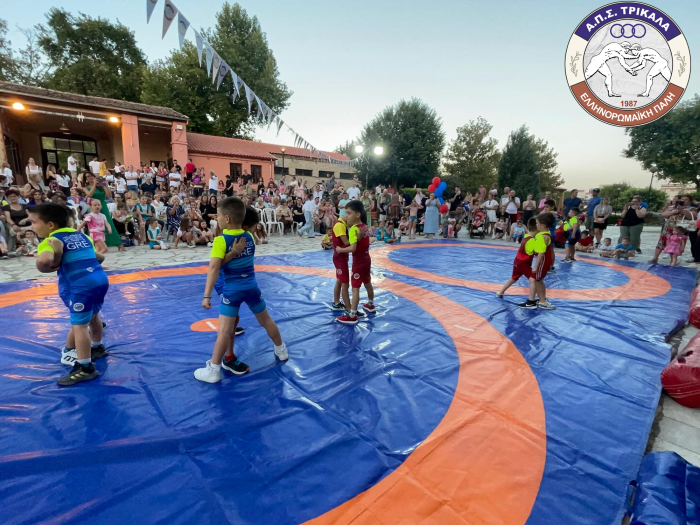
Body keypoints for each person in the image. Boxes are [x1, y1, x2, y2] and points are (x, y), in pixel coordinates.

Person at [195, 197, 288, 383]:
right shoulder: (249, 237)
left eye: (218, 216)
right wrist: (235, 252)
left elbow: (214, 267)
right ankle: (281, 350)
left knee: (224, 330)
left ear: (227, 218)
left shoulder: (221, 240)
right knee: (266, 320)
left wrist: (206, 295)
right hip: (251, 287)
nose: (216, 219)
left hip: (232, 290)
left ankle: (214, 370)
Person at [28, 202, 109, 385]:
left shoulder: (50, 241)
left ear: (50, 225)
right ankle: (97, 347)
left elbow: (44, 262)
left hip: (81, 285)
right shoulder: (81, 236)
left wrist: (56, 254)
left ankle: (85, 367)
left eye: (33, 222)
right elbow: (100, 257)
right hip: (100, 280)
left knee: (79, 325)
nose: (31, 227)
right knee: (94, 315)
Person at [336, 200, 375, 325]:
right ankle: (370, 304)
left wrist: (340, 250)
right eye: (345, 213)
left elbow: (352, 248)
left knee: (355, 288)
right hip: (367, 259)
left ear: (357, 214)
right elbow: (366, 241)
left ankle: (352, 314)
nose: (346, 216)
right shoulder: (364, 226)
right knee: (367, 282)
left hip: (358, 262)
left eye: (349, 213)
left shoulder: (353, 229)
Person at [518, 212, 556, 310]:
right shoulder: (546, 233)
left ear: (542, 225)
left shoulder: (541, 237)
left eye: (537, 223)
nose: (536, 225)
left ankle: (539, 301)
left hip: (542, 262)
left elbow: (541, 253)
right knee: (538, 280)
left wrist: (535, 266)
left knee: (535, 279)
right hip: (545, 261)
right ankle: (542, 300)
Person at [497, 217, 539, 298]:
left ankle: (501, 292)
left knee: (513, 278)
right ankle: (536, 297)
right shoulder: (532, 241)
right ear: (537, 229)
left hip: (517, 262)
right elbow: (535, 252)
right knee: (533, 279)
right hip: (524, 264)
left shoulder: (525, 237)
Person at [82, 173, 124, 251]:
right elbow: (90, 194)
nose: (90, 177)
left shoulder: (100, 187)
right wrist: (94, 185)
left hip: (103, 206)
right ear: (86, 179)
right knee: (94, 226)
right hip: (93, 207)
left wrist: (106, 185)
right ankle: (96, 245)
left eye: (91, 176)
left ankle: (118, 243)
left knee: (109, 223)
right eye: (87, 176)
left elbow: (109, 196)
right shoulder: (85, 187)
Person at [330, 214, 352, 312]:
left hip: (341, 256)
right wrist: (359, 240)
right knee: (344, 282)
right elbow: (346, 242)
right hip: (340, 257)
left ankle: (336, 302)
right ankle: (349, 309)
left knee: (340, 280)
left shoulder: (341, 224)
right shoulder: (339, 225)